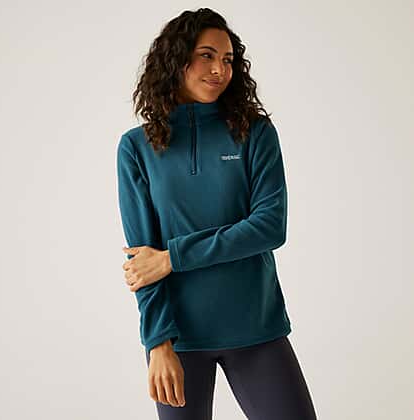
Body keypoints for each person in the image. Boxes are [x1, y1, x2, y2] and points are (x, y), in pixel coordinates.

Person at [116, 7, 318, 420]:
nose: (219, 70)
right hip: (179, 339)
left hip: (255, 328)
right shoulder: (137, 147)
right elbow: (142, 259)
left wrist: (173, 257)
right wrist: (157, 343)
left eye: (227, 59)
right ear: (176, 60)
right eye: (206, 56)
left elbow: (269, 226)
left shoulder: (254, 133)